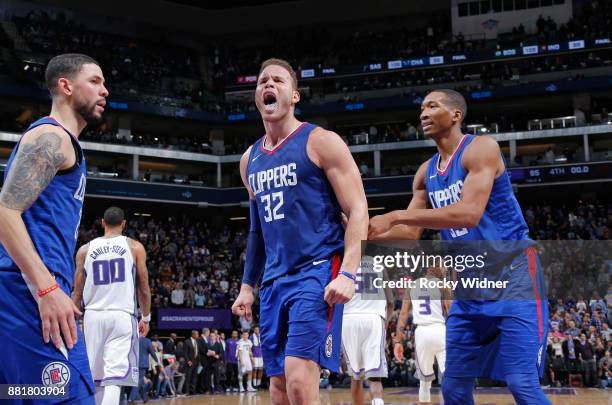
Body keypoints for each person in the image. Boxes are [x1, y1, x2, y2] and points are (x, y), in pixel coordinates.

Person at [368, 89, 551, 404]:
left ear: (456, 115)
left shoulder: (481, 149)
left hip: (514, 276)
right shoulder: (426, 173)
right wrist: (358, 229)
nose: (423, 113)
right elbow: (410, 234)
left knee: (522, 383)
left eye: (432, 106)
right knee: (452, 386)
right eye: (422, 107)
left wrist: (395, 214)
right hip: (469, 286)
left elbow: (468, 214)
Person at [231, 58, 368, 405]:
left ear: (294, 96)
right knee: (277, 389)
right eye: (263, 81)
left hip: (317, 269)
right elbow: (257, 230)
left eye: (278, 80)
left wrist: (349, 272)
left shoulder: (320, 141)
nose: (268, 85)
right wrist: (248, 286)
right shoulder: (250, 160)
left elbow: (357, 209)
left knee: (298, 380)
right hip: (275, 281)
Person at [0, 53, 107, 402]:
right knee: (72, 394)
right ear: (65, 85)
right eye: (95, 81)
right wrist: (46, 289)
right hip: (29, 292)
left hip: (24, 292)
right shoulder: (52, 137)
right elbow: (4, 211)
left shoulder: (64, 143)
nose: (104, 90)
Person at [72, 206, 151, 405]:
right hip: (121, 315)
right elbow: (143, 287)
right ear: (124, 224)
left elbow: (77, 292)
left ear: (103, 223)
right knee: (115, 377)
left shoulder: (85, 250)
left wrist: (74, 319)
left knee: (95, 376)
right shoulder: (134, 247)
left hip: (92, 316)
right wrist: (146, 317)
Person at [394, 266, 452, 405]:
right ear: (433, 267)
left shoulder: (412, 286)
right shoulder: (443, 285)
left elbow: (403, 315)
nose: (445, 269)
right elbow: (450, 311)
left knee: (424, 381)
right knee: (448, 375)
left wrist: (398, 341)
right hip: (439, 330)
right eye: (442, 266)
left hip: (421, 333)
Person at [341, 256, 393, 405]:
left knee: (356, 377)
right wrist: (385, 324)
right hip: (373, 319)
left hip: (349, 320)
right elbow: (390, 302)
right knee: (375, 376)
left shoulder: (344, 263)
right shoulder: (379, 264)